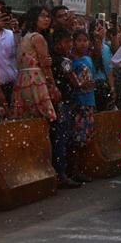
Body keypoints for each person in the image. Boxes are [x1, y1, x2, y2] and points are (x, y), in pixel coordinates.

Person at [11, 6, 58, 121]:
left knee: (27, 119)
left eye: (48, 16)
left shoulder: (24, 37)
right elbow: (45, 65)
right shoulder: (38, 38)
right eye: (42, 16)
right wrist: (53, 86)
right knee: (43, 117)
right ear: (34, 18)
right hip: (36, 80)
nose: (46, 19)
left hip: (22, 80)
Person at [50, 28, 82, 188]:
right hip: (64, 103)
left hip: (56, 102)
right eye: (67, 41)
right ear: (57, 43)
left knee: (59, 138)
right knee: (62, 138)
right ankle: (62, 174)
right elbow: (75, 82)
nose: (70, 45)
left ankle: (60, 173)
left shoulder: (52, 59)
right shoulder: (64, 61)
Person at [70, 29, 97, 164]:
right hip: (79, 102)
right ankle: (75, 166)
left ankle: (83, 165)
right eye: (79, 40)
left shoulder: (88, 59)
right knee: (78, 135)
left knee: (87, 134)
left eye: (85, 40)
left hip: (89, 101)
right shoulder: (71, 62)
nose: (82, 44)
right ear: (73, 43)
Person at [89, 19, 115, 111]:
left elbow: (109, 69)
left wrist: (112, 87)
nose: (100, 29)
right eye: (97, 27)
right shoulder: (87, 46)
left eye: (102, 26)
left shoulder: (107, 48)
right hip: (91, 86)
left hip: (103, 86)